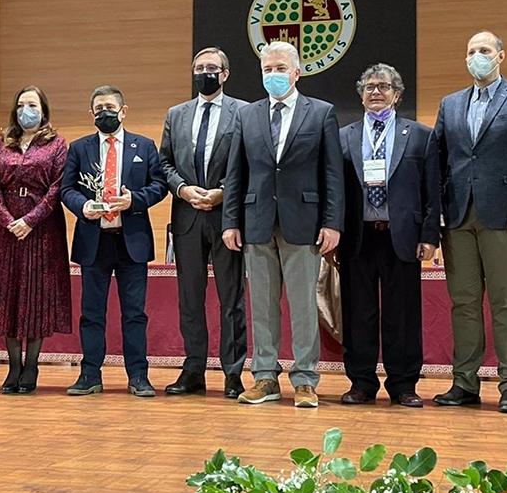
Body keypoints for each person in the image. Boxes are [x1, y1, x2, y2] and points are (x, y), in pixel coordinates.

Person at [222, 41, 344, 408]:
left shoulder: (321, 113)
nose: (272, 75)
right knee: (261, 304)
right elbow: (236, 173)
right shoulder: (247, 115)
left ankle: (305, 380)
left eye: (279, 69)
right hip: (256, 222)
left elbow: (332, 174)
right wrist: (231, 221)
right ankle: (264, 378)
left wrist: (332, 223)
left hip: (304, 224)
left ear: (296, 72)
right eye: (267, 69)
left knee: (304, 304)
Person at [432, 31, 507, 414]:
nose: (475, 57)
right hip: (458, 216)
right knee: (463, 302)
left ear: (501, 56)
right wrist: (437, 214)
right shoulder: (450, 104)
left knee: (505, 301)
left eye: (483, 50)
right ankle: (464, 382)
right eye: (470, 51)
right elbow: (438, 161)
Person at [337, 63, 440, 408]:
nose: (375, 92)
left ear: (397, 94)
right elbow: (334, 190)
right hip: (358, 237)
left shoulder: (421, 136)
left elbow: (432, 191)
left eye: (383, 86)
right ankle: (361, 382)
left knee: (403, 315)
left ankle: (403, 384)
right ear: (361, 94)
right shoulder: (344, 136)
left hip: (403, 238)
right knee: (358, 314)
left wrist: (429, 235)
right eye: (369, 87)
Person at [60, 86, 168, 396]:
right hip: (93, 240)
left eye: (110, 106)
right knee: (91, 313)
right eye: (98, 108)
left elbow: (159, 185)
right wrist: (83, 207)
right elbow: (67, 189)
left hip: (131, 241)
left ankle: (138, 376)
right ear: (91, 114)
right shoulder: (79, 148)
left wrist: (134, 200)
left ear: (123, 111)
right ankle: (90, 374)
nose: (104, 112)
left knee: (134, 313)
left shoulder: (144, 146)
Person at [159, 47, 249, 398]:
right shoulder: (176, 114)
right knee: (190, 300)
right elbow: (164, 163)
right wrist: (182, 189)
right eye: (199, 67)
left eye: (211, 68)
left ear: (225, 74)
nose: (204, 73)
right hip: (187, 216)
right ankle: (193, 369)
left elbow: (248, 162)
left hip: (227, 217)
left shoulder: (243, 112)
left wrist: (223, 193)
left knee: (232, 300)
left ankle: (232, 373)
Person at [0, 86, 71, 394]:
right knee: (8, 295)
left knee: (35, 296)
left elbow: (58, 188)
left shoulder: (57, 145)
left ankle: (31, 366)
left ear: (43, 110)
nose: (25, 110)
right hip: (6, 231)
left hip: (42, 230)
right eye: (20, 105)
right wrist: (8, 221)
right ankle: (13, 366)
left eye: (31, 105)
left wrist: (30, 220)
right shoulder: (2, 143)